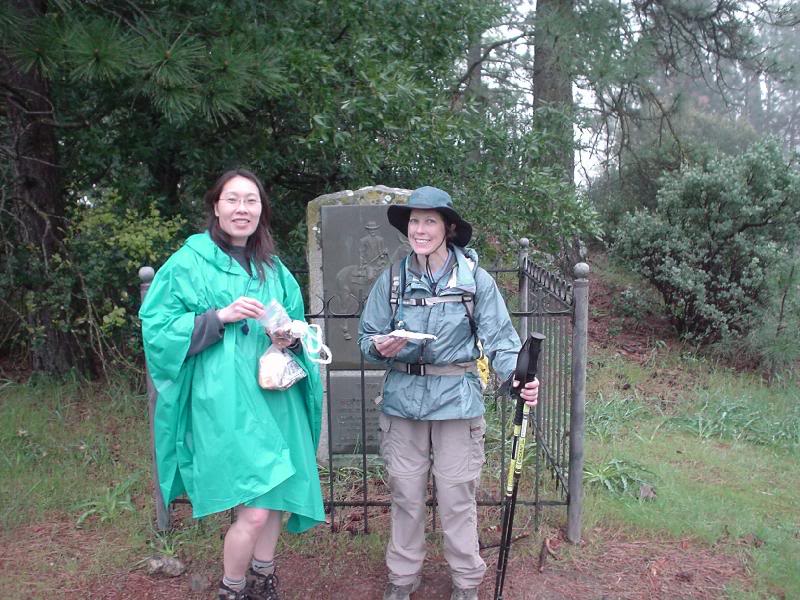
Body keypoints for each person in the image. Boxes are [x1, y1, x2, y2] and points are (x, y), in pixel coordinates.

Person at [140, 169, 325, 600]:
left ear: (261, 210)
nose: (242, 209)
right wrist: (219, 317)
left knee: (276, 495)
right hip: (226, 399)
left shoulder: (272, 267)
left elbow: (297, 322)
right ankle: (233, 588)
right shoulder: (189, 261)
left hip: (276, 392)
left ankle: (264, 577)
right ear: (216, 206)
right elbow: (157, 326)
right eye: (233, 200)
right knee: (255, 509)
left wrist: (289, 335)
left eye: (251, 201)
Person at [357, 186, 539, 600]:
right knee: (405, 494)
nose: (419, 230)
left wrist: (518, 378)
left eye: (429, 221)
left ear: (448, 228)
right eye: (414, 222)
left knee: (458, 497)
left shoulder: (475, 282)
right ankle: (402, 580)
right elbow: (367, 338)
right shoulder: (392, 279)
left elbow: (502, 343)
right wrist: (381, 347)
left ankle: (466, 582)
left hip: (457, 403)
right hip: (402, 402)